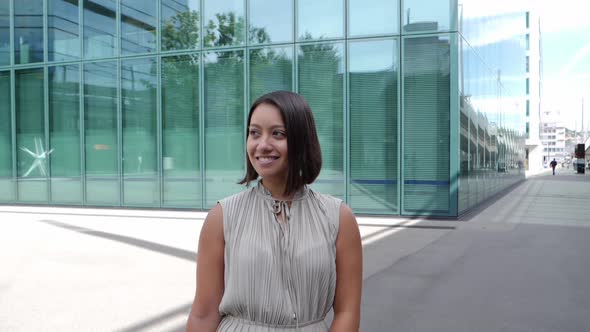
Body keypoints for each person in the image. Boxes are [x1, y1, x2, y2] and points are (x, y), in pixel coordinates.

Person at [186, 91, 363, 332]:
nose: (262, 144)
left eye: (278, 134)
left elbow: (347, 312)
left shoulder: (339, 218)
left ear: (302, 140)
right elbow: (203, 314)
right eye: (254, 133)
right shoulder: (222, 216)